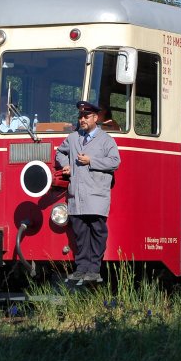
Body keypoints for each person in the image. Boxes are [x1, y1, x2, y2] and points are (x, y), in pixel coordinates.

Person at [55, 101, 121, 284]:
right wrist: (65, 164)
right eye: (80, 117)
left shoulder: (106, 140)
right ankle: (81, 268)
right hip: (77, 195)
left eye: (86, 116)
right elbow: (59, 152)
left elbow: (115, 162)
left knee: (97, 232)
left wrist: (92, 160)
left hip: (96, 195)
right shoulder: (74, 137)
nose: (82, 120)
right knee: (80, 233)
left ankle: (94, 269)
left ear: (95, 118)